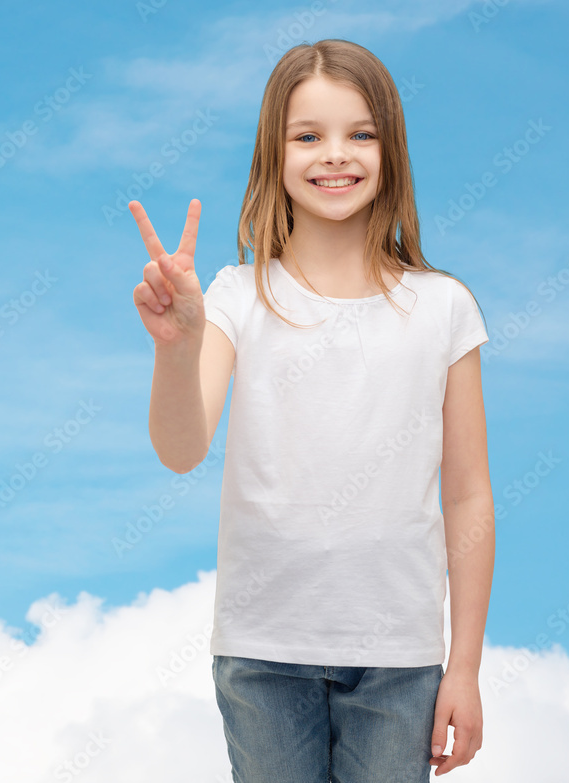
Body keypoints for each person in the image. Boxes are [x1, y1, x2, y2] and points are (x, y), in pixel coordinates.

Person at [129, 39, 494, 782]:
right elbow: (181, 446)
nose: (337, 155)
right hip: (263, 652)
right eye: (309, 136)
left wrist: (465, 667)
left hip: (401, 663)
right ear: (276, 152)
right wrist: (177, 345)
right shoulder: (235, 296)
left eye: (361, 133)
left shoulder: (444, 307)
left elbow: (468, 495)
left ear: (390, 148)